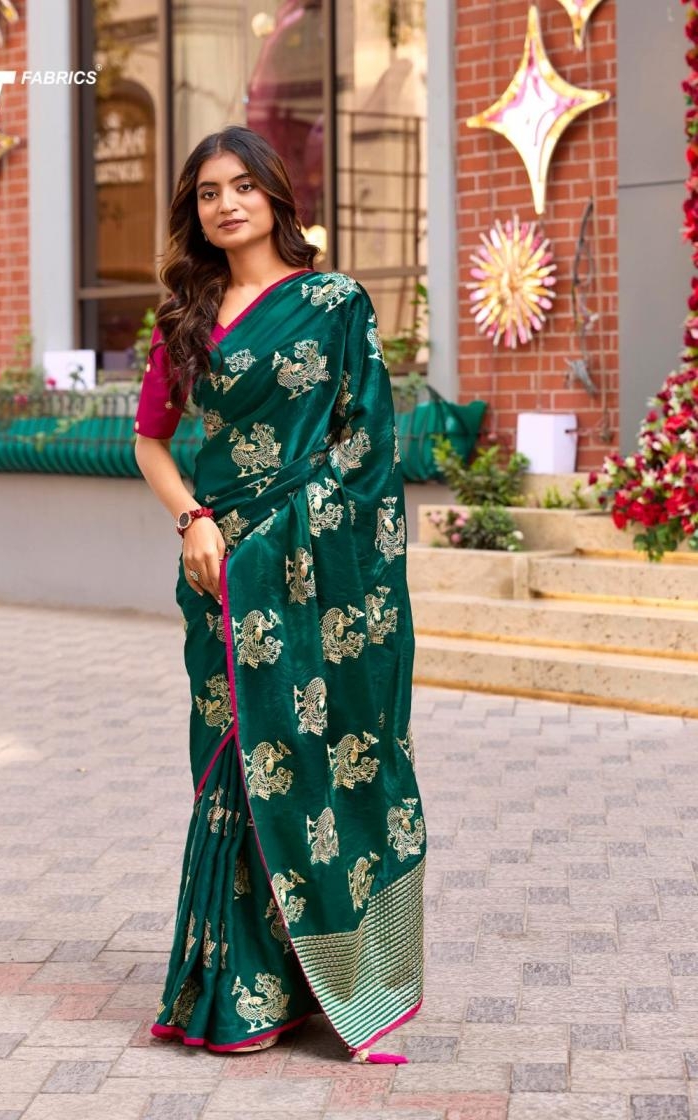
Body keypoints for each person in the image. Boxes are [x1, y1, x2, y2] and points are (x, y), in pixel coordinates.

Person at [134, 125, 425, 1063]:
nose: (225, 204)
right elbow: (149, 441)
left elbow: (366, 446)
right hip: (220, 573)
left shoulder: (334, 302)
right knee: (237, 767)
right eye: (207, 192)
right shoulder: (184, 316)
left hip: (313, 573)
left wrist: (283, 532)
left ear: (274, 195)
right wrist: (195, 521)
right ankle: (242, 991)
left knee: (320, 760)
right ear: (194, 212)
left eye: (241, 187)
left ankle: (355, 987)